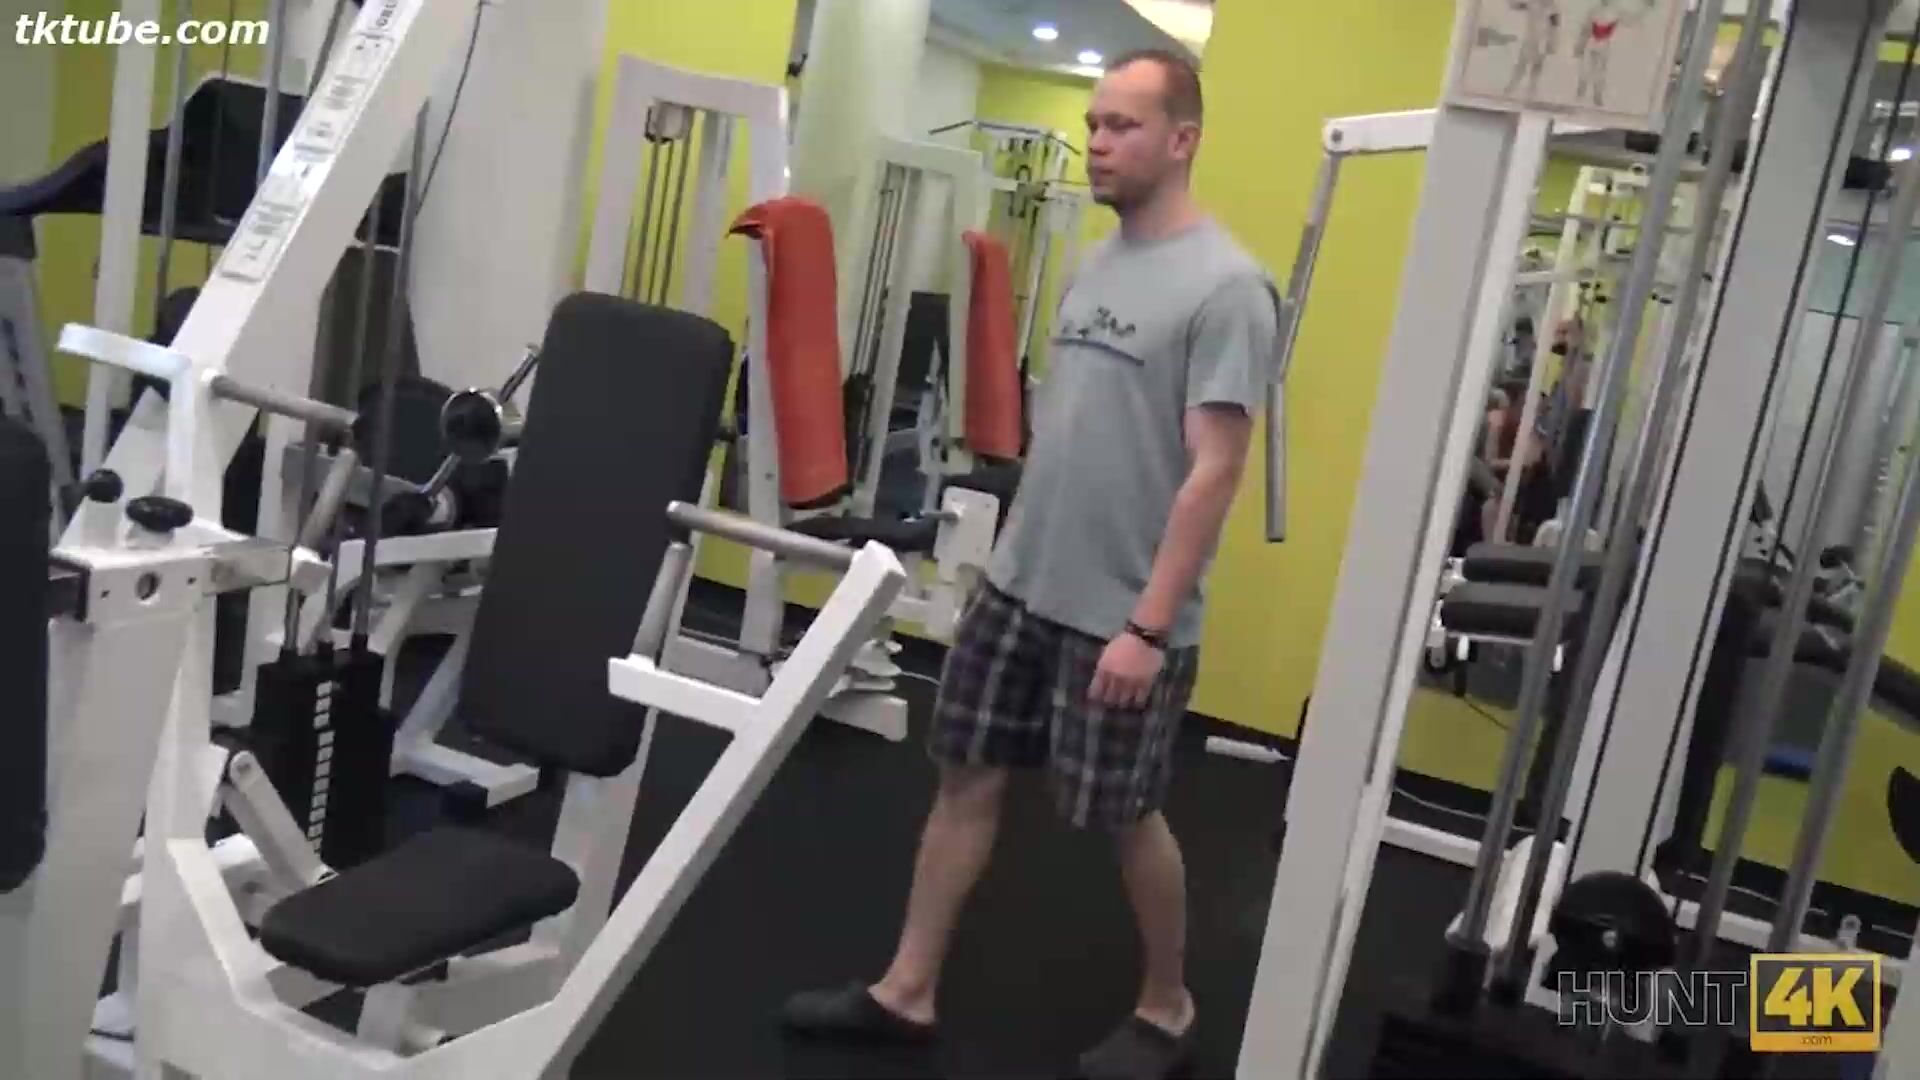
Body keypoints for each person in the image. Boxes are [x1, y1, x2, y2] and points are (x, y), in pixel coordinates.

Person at [779, 48, 1278, 1080]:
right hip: (1019, 586)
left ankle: (1168, 1006)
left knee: (1124, 816)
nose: (1098, 143)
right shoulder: (1097, 264)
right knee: (964, 775)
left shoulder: (1229, 287)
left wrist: (1147, 627)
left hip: (1121, 615)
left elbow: (1216, 470)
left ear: (1182, 139)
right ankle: (906, 991)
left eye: (1123, 126)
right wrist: (1006, 560)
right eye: (1094, 124)